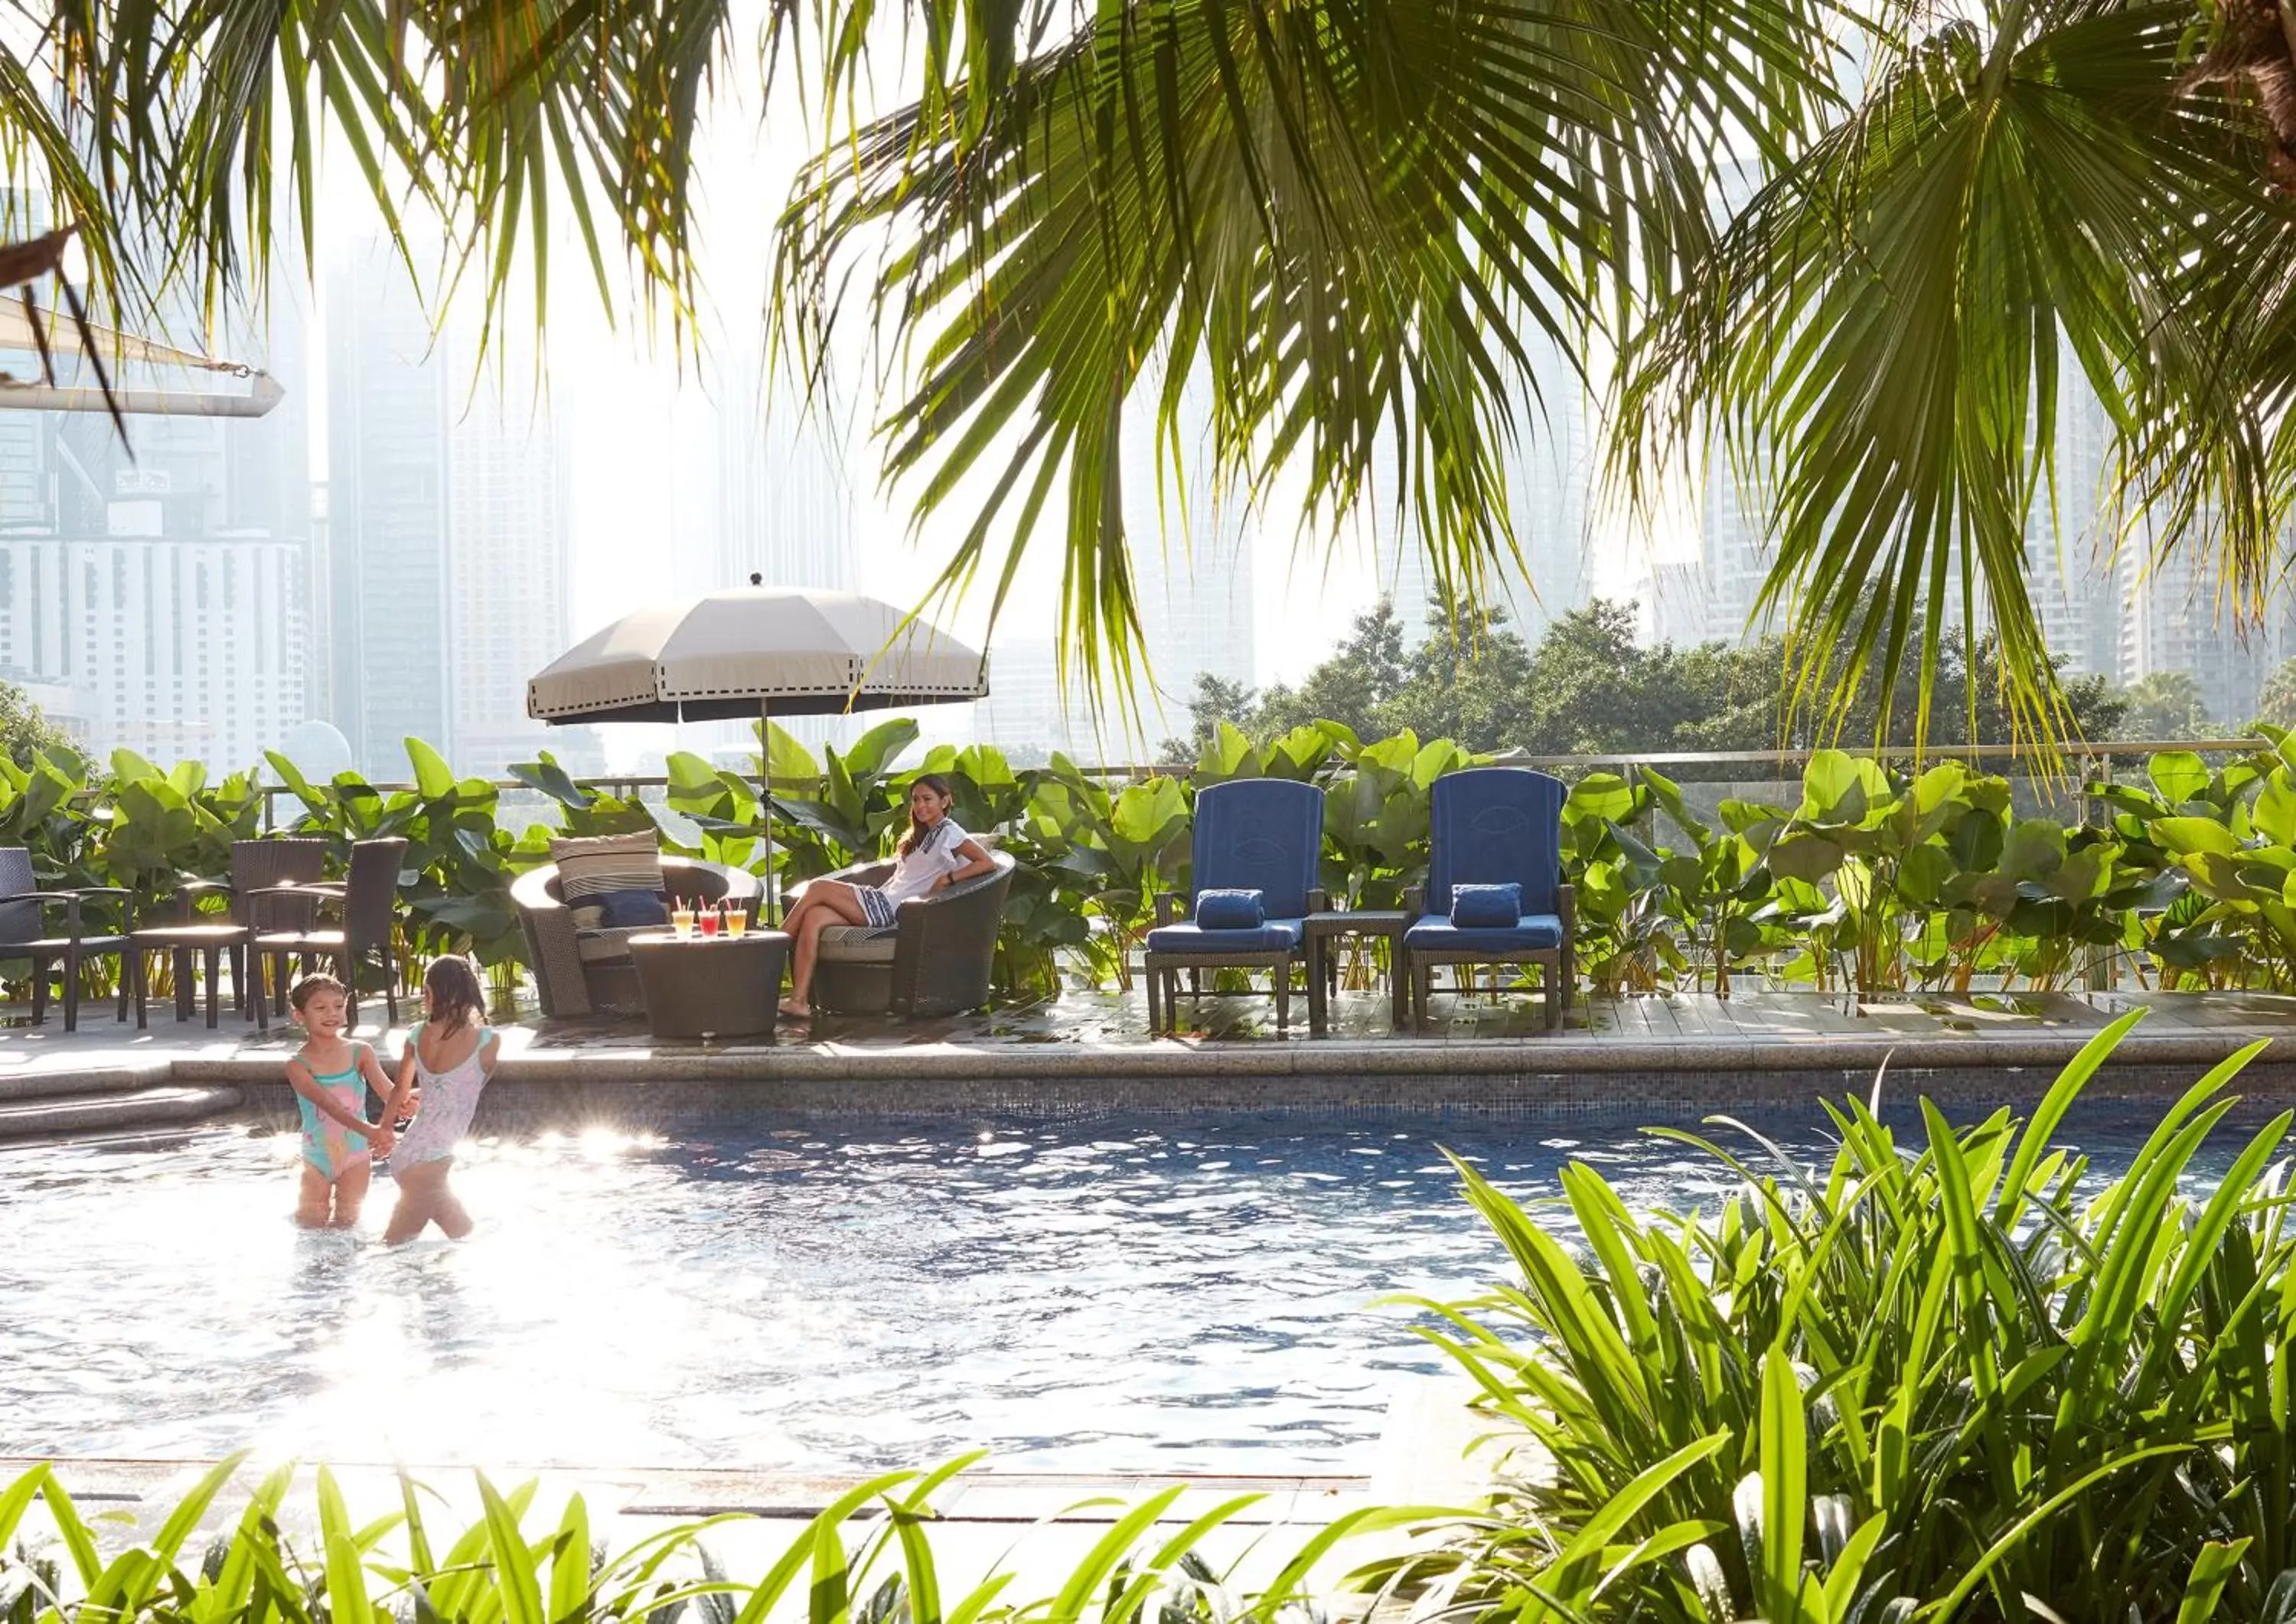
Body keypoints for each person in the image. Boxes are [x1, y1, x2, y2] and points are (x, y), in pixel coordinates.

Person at [778, 773, 994, 1019]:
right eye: (915, 800)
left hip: (890, 910)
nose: (920, 806)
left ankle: (772, 946)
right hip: (881, 899)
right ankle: (799, 1001)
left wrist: (949, 879)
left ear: (945, 801)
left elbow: (986, 862)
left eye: (928, 799)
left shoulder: (949, 832)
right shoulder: (923, 835)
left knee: (817, 887)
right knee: (814, 917)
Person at [377, 956, 501, 1244]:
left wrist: (385, 1128)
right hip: (431, 1162)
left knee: (466, 1238)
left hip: (410, 1151)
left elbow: (401, 1091)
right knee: (390, 1252)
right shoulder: (488, 1041)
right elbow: (469, 1088)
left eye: (426, 992)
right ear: (470, 993)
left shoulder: (416, 1035)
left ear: (431, 994)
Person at [285, 973, 396, 1230]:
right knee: (310, 1225)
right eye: (320, 1008)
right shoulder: (297, 1065)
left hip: (355, 1157)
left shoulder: (361, 1052)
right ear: (300, 1015)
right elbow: (330, 1106)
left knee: (347, 1226)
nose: (331, 1014)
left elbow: (390, 1095)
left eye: (338, 1006)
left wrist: (414, 1100)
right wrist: (371, 1131)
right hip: (316, 1158)